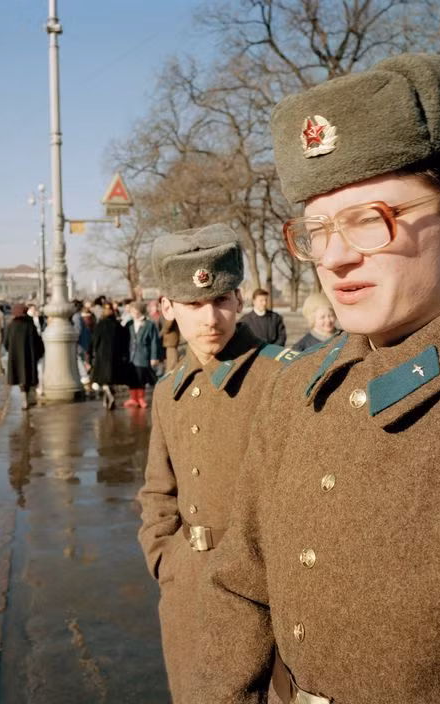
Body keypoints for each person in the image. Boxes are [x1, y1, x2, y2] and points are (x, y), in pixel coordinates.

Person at [193, 53, 440, 703]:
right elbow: (238, 584)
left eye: (371, 219)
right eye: (318, 230)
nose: (338, 256)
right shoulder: (296, 388)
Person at [136, 224, 298, 702]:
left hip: (268, 597)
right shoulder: (168, 391)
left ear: (239, 299)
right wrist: (165, 560)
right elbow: (157, 492)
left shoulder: (283, 376)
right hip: (188, 593)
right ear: (167, 308)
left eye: (222, 300)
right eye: (192, 305)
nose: (211, 318)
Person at [89, 302, 130, 409]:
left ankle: (109, 396)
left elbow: (95, 340)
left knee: (103, 380)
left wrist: (92, 353)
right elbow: (124, 341)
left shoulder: (100, 324)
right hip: (115, 356)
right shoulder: (117, 325)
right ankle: (107, 400)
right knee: (111, 379)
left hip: (102, 355)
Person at [4, 302, 44, 410]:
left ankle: (24, 400)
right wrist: (39, 353)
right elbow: (37, 341)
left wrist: (12, 351)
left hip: (16, 357)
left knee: (21, 378)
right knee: (28, 377)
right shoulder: (29, 325)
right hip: (29, 356)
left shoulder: (11, 325)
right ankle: (27, 398)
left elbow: (6, 343)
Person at [123, 300, 160, 409]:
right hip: (130, 355)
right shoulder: (129, 323)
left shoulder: (149, 324)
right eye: (132, 311)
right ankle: (132, 398)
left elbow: (154, 342)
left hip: (143, 355)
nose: (133, 312)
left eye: (134, 310)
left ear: (140, 311)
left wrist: (154, 357)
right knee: (132, 377)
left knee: (141, 377)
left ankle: (140, 398)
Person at [159, 300, 181, 372]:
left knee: (172, 356)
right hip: (171, 338)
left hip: (171, 338)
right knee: (171, 355)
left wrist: (163, 331)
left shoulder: (171, 312)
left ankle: (172, 370)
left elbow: (169, 323)